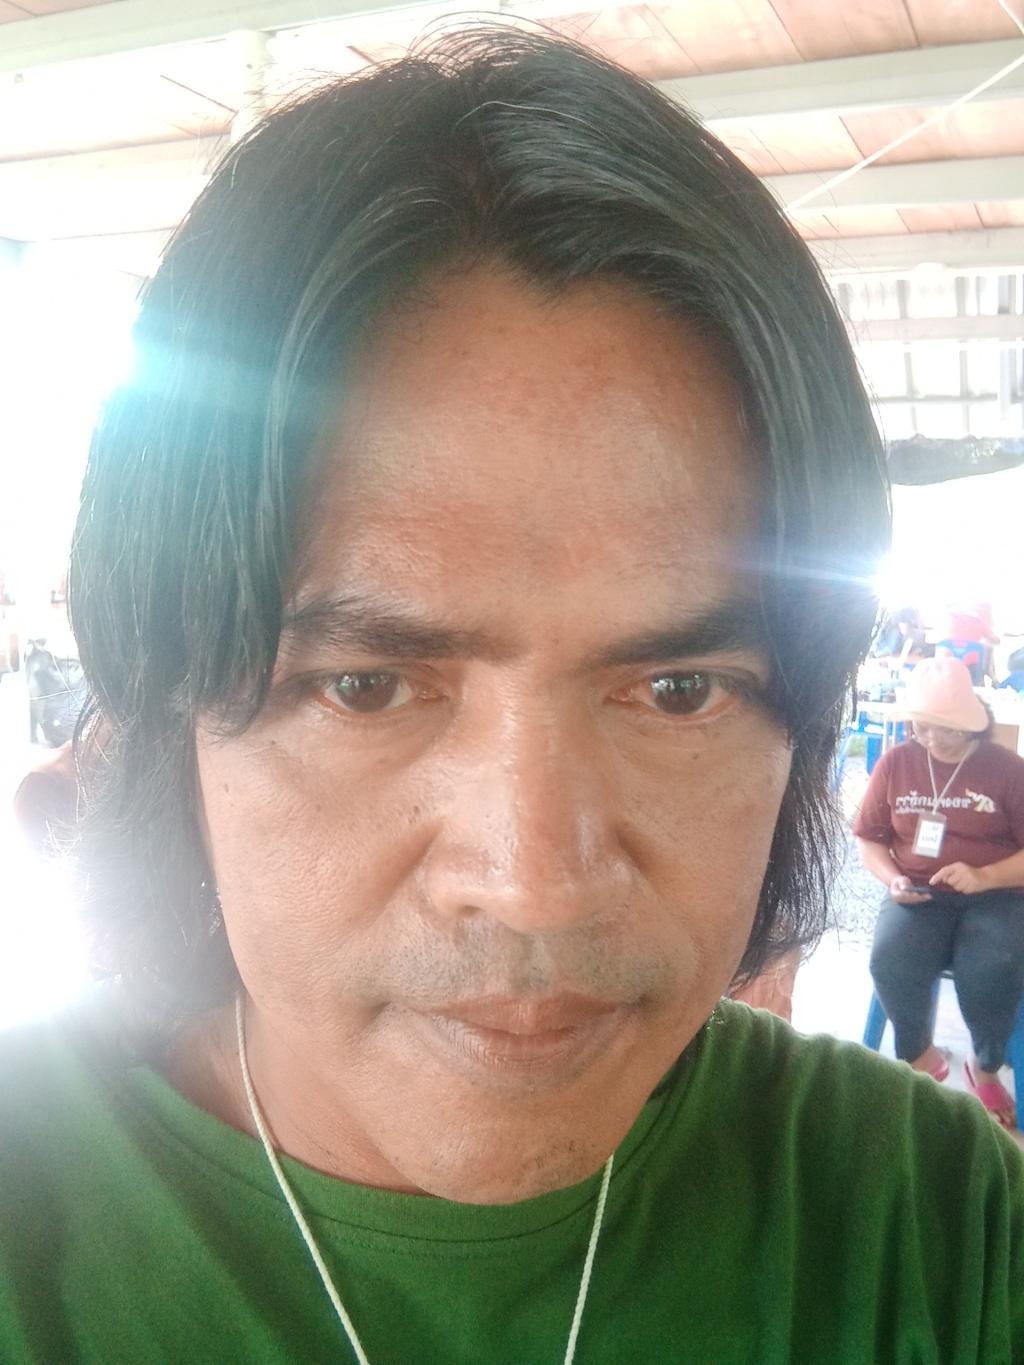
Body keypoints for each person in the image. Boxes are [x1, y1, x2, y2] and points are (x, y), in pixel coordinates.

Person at [1, 29, 1020, 1364]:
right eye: (364, 686)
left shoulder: (931, 1226)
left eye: (678, 688)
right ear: (168, 706)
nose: (535, 884)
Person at [855, 657, 1024, 1130]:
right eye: (922, 727)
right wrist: (892, 878)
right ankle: (918, 1054)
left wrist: (985, 876)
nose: (932, 739)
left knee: (994, 966)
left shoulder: (1008, 770)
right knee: (891, 958)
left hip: (996, 892)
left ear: (973, 722)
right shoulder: (896, 763)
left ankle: (984, 1063)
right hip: (918, 888)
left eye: (946, 729)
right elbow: (868, 837)